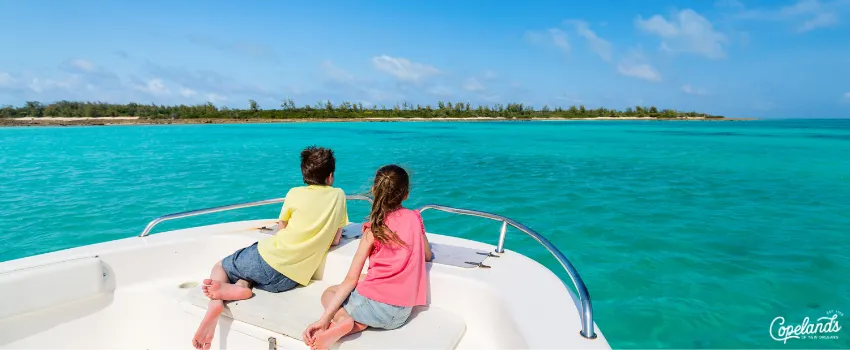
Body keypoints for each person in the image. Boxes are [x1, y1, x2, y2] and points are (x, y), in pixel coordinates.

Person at [192, 146, 349, 350]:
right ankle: (240, 287)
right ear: (330, 177)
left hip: (269, 257)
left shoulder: (294, 193)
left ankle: (215, 303)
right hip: (289, 280)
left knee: (221, 267)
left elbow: (281, 228)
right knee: (249, 273)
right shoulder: (339, 196)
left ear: (304, 174)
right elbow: (336, 240)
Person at [302, 165, 433, 350]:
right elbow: (427, 255)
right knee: (365, 284)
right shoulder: (415, 218)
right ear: (406, 194)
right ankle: (354, 324)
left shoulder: (373, 230)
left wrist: (324, 319)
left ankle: (341, 320)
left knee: (329, 293)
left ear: (374, 191)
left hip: (373, 307)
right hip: (400, 314)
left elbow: (350, 279)